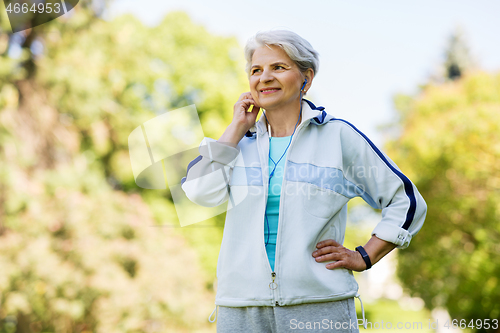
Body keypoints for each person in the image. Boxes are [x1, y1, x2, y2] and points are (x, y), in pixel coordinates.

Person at [181, 30, 427, 333]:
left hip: (319, 306)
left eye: (278, 68)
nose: (264, 77)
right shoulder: (235, 144)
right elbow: (198, 192)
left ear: (306, 78)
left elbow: (406, 201)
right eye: (256, 70)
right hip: (241, 309)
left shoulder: (338, 137)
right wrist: (234, 130)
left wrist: (365, 255)